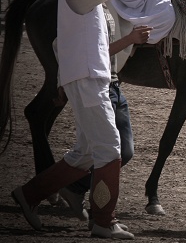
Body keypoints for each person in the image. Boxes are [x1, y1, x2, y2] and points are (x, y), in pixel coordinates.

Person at [11, 0, 136, 239]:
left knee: (86, 152)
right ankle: (103, 220)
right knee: (109, 148)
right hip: (88, 78)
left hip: (86, 77)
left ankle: (29, 194)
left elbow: (62, 41)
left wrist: (62, 79)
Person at [57, 20, 152, 223]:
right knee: (105, 151)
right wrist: (131, 39)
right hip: (98, 87)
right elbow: (89, 53)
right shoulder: (87, 12)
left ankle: (75, 192)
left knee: (117, 151)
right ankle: (101, 217)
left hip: (113, 84)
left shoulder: (103, 9)